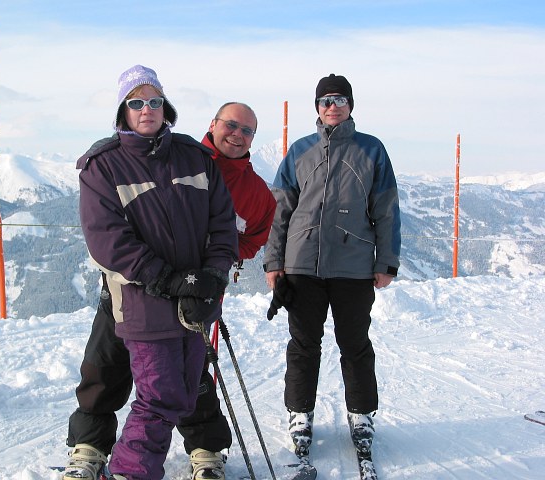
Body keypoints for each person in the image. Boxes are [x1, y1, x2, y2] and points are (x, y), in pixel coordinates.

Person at [64, 97, 275, 480]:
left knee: (191, 372)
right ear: (213, 124)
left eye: (247, 130)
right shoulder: (180, 156)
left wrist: (213, 269)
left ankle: (205, 448)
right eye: (231, 124)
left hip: (198, 291)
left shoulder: (255, 191)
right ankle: (90, 447)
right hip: (132, 286)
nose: (237, 134)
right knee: (106, 364)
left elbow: (251, 237)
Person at [263, 74, 401, 459]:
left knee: (355, 344)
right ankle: (299, 413)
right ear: (317, 107)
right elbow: (279, 210)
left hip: (353, 266)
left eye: (340, 99)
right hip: (301, 265)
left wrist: (386, 261)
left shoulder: (371, 150)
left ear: (350, 105)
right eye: (325, 100)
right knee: (303, 345)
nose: (332, 106)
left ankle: (361, 414)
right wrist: (274, 261)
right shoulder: (300, 150)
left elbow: (387, 209)